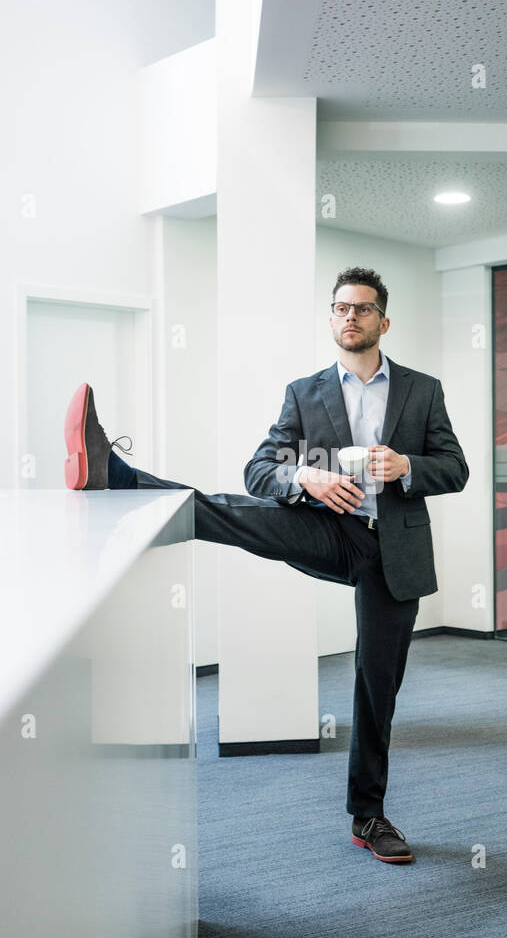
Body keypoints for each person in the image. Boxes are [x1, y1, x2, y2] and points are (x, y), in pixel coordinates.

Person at [63, 266, 468, 862]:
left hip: (394, 549)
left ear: (385, 320)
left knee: (376, 685)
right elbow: (260, 472)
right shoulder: (305, 394)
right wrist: (303, 476)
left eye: (361, 308)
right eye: (339, 308)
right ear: (331, 317)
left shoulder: (421, 390)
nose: (349, 317)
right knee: (242, 513)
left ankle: (369, 816)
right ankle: (123, 481)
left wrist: (406, 467)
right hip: (331, 529)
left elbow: (454, 468)